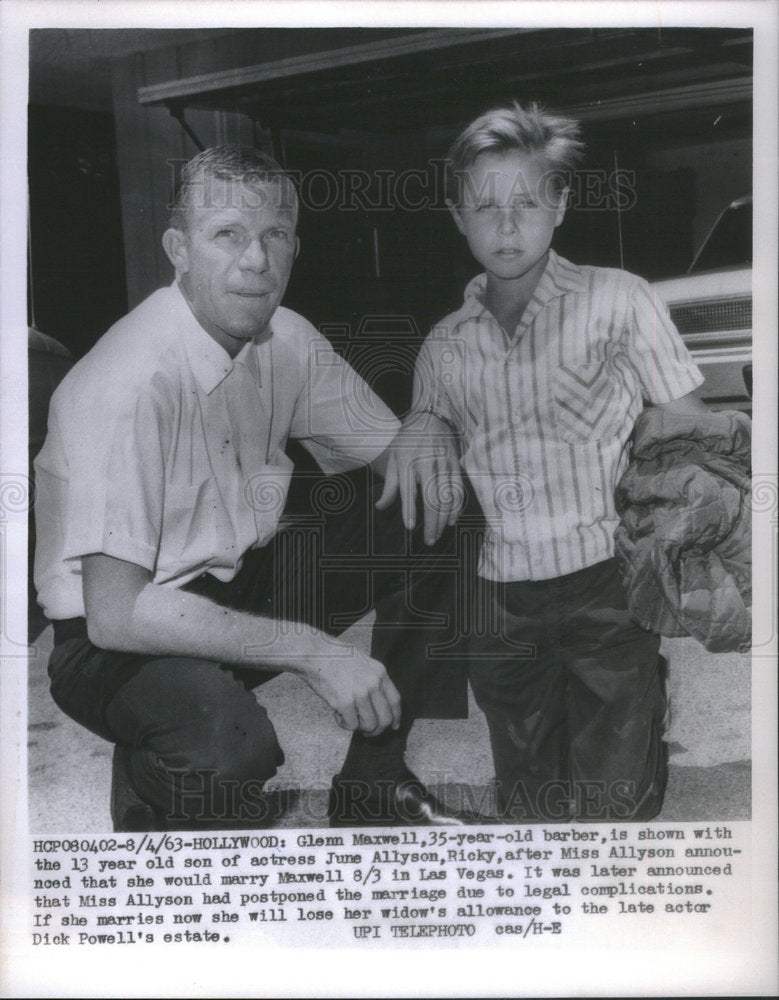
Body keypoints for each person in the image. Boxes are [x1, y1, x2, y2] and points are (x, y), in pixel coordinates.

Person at [33, 145, 475, 831]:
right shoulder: (126, 381)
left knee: (447, 505)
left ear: (294, 247)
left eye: (273, 236)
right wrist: (314, 652)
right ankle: (151, 791)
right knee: (224, 750)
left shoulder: (284, 339)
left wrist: (431, 422)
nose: (255, 261)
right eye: (227, 235)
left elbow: (405, 462)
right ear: (178, 248)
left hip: (236, 579)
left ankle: (374, 784)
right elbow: (115, 612)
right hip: (108, 635)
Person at [398, 102, 712, 822]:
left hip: (606, 578)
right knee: (530, 806)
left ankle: (639, 708)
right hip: (502, 595)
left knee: (612, 812)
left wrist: (678, 537)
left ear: (560, 204)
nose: (505, 226)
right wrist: (423, 423)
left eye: (526, 202)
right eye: (483, 206)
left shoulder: (618, 299)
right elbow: (430, 428)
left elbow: (689, 427)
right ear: (456, 216)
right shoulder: (445, 343)